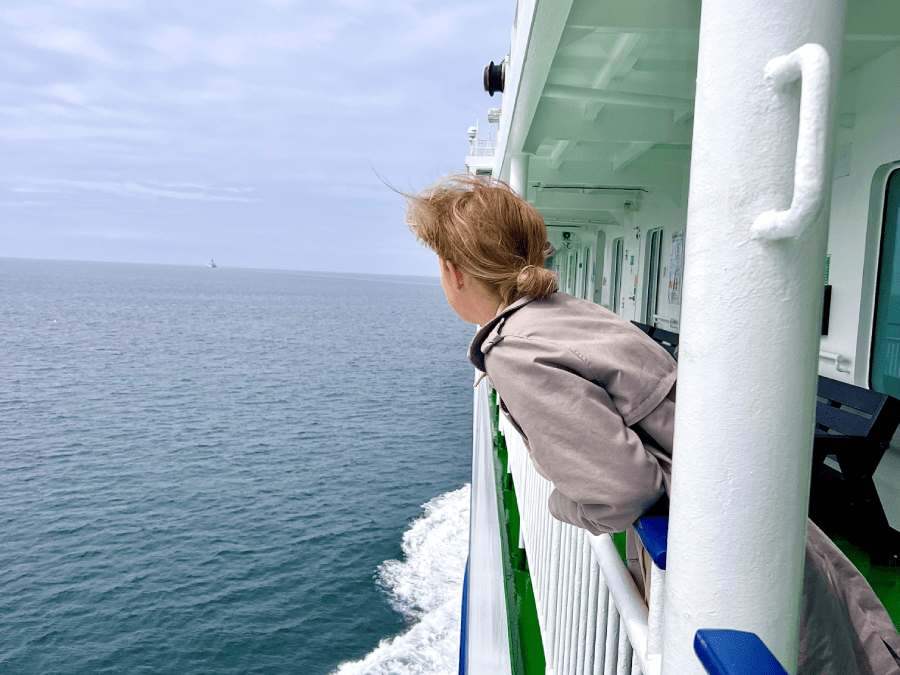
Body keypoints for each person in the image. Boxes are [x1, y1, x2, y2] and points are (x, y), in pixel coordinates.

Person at [405, 174, 900, 675]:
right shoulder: (568, 313)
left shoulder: (517, 350)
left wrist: (563, 505)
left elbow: (623, 492)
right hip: (753, 517)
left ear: (455, 271)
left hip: (722, 555)